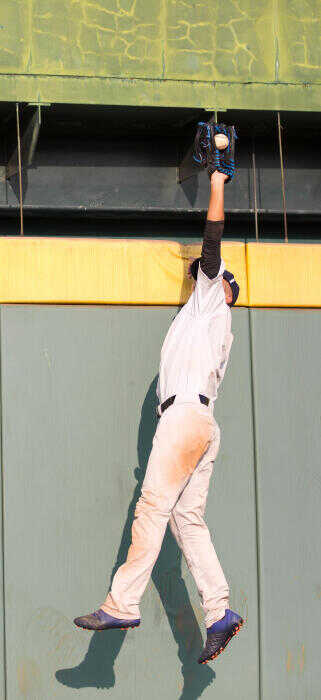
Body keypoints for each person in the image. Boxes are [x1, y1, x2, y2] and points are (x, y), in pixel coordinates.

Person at [74, 124, 243, 665]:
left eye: (209, 276)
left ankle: (122, 603)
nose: (202, 274)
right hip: (200, 424)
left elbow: (211, 243)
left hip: (186, 419)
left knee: (152, 508)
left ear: (222, 288)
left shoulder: (211, 302)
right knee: (186, 519)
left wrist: (217, 180)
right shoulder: (201, 321)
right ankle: (219, 611)